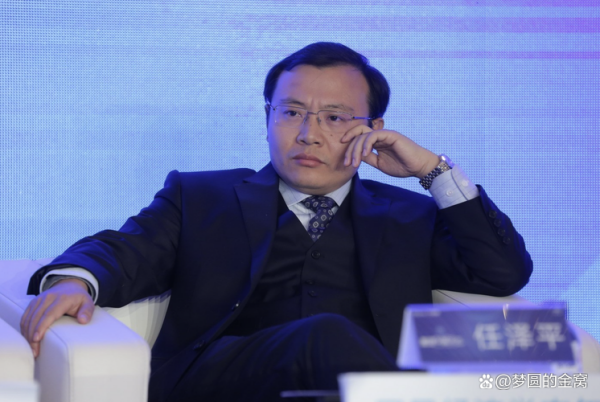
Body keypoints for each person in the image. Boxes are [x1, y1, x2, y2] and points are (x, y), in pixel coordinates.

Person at [21, 42, 532, 401]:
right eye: (291, 112)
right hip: (221, 382)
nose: (308, 133)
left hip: (357, 390)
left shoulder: (409, 215)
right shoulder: (200, 197)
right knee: (324, 335)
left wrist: (432, 172)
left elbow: (502, 272)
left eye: (334, 118)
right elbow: (125, 249)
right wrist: (75, 281)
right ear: (267, 118)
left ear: (374, 130)